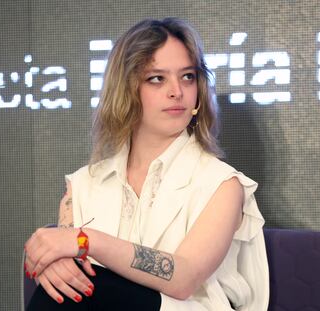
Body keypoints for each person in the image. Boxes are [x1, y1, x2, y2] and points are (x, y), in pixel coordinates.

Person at [24, 17, 269, 310]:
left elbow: (184, 278)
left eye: (188, 76)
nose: (176, 91)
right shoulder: (83, 184)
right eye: (157, 79)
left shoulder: (223, 184)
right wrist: (49, 264)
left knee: (93, 288)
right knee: (67, 291)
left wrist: (87, 240)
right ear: (126, 90)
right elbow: (73, 272)